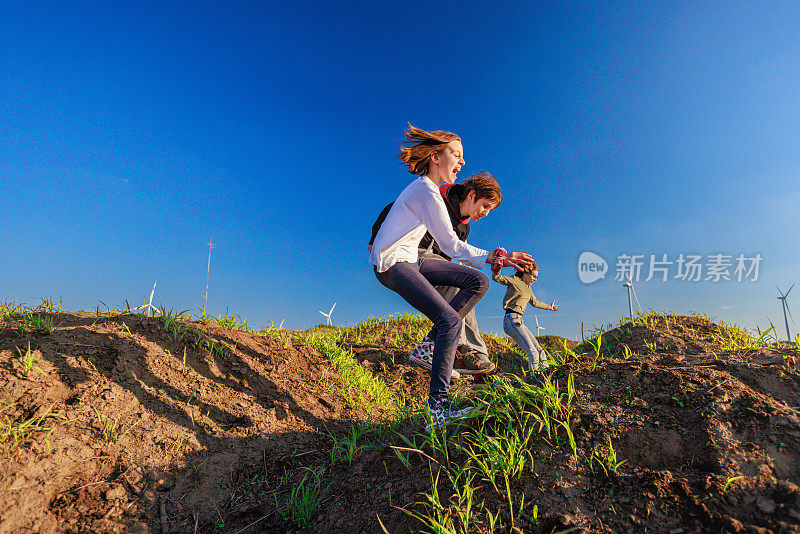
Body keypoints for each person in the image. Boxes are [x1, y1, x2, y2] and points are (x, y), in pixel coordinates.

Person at [370, 124, 533, 429]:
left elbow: (455, 245)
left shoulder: (429, 191)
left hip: (411, 260)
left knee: (478, 281)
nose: (462, 162)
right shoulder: (426, 192)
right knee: (451, 321)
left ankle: (426, 347)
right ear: (434, 156)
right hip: (393, 263)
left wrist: (493, 259)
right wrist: (499, 256)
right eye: (456, 155)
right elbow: (450, 245)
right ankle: (439, 410)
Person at [369, 172, 501, 376]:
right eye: (485, 206)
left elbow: (455, 252)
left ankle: (477, 355)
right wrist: (378, 242)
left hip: (433, 265)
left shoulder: (464, 229)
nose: (485, 213)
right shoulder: (432, 196)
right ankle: (457, 350)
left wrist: (492, 259)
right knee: (457, 282)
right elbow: (393, 212)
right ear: (472, 195)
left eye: (490, 210)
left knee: (467, 284)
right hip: (410, 255)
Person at [492, 261, 560, 372]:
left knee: (539, 350)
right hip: (511, 320)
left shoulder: (528, 288)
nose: (535, 279)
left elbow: (535, 302)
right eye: (534, 276)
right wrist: (497, 266)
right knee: (532, 352)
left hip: (520, 321)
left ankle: (547, 376)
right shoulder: (515, 280)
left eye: (537, 277)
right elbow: (497, 278)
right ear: (525, 273)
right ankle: (535, 379)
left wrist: (550, 307)